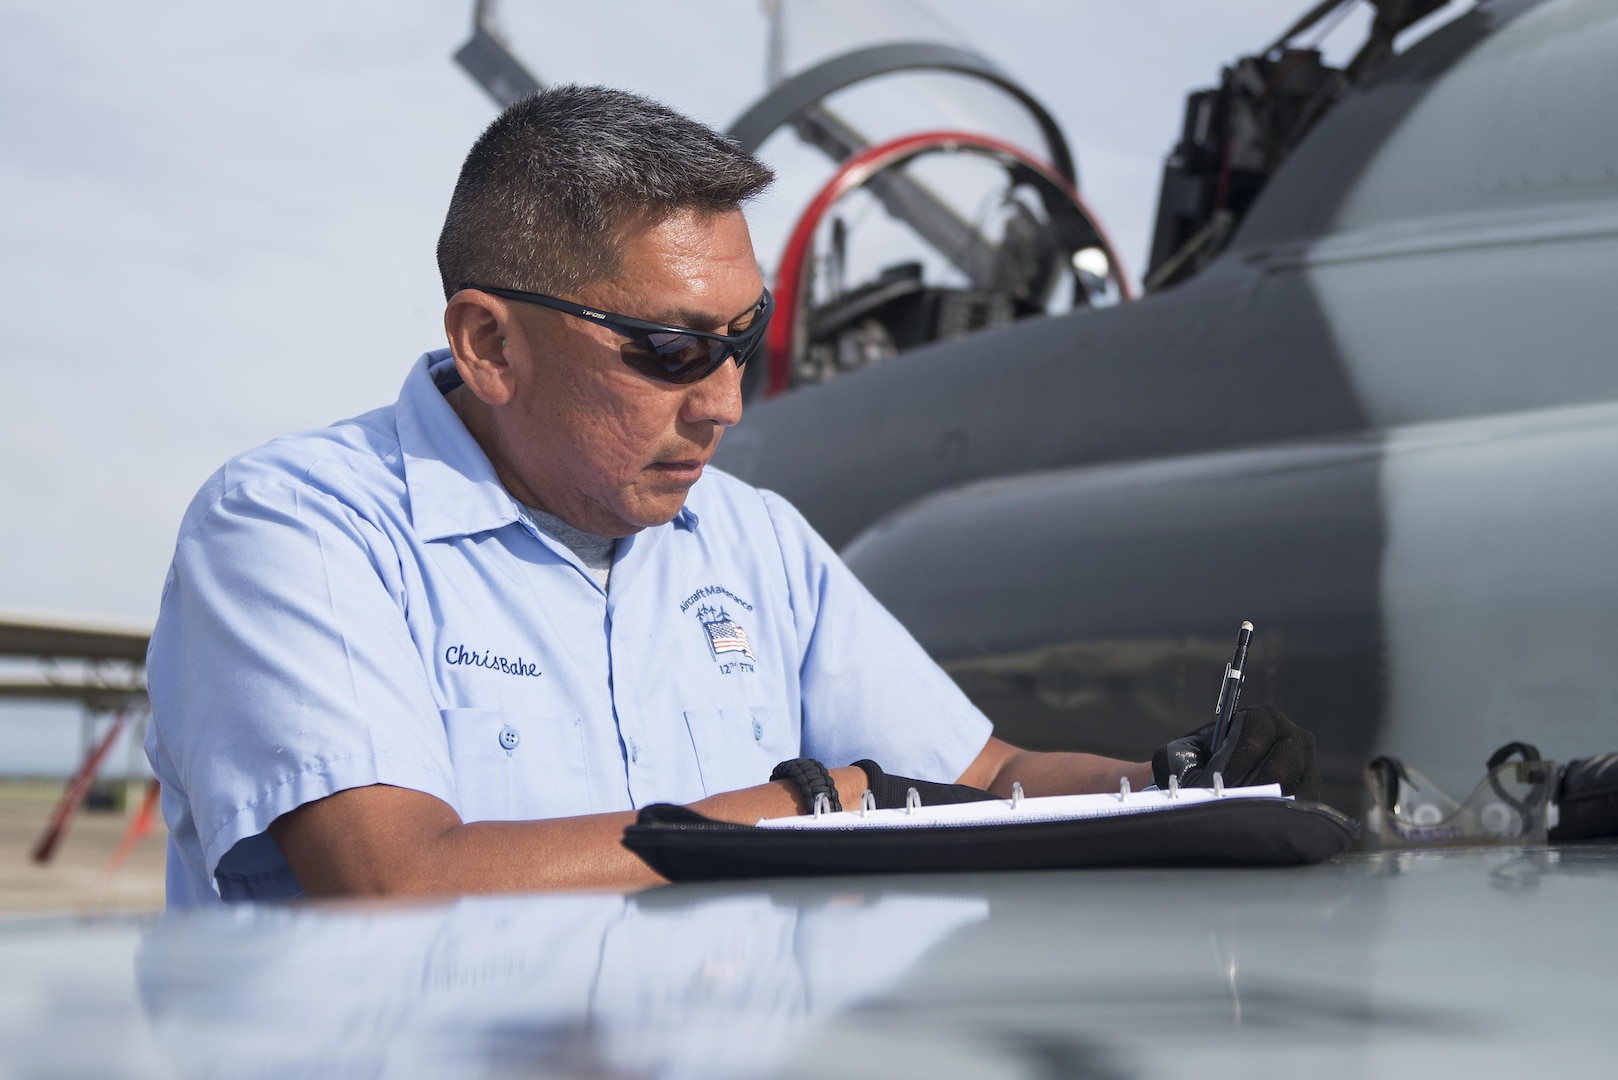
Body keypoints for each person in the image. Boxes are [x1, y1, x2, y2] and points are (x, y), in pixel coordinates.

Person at [145, 86, 1317, 906]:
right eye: (667, 347)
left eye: (740, 342)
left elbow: (974, 781)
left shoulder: (750, 542)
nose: (721, 404)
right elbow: (395, 882)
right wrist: (806, 808)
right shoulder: (298, 529)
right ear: (488, 344)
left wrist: (1163, 781)